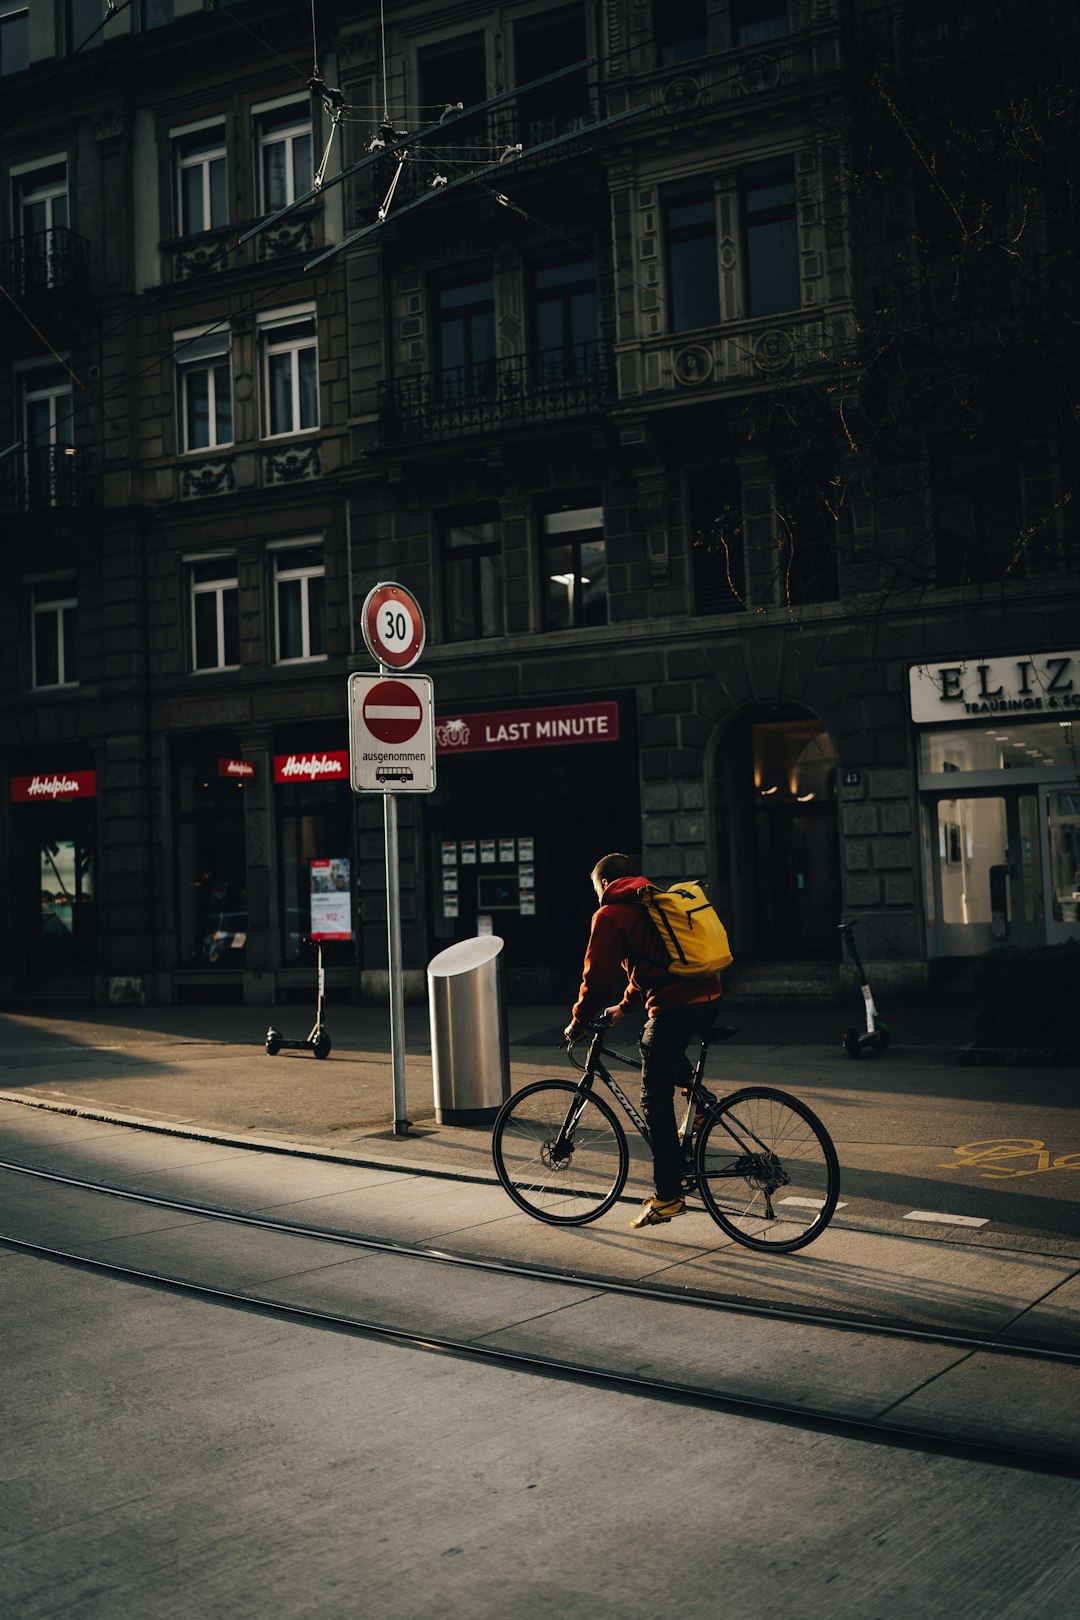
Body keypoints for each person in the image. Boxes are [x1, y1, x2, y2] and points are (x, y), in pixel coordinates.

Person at [563, 852, 723, 1228]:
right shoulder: (652, 900)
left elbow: (597, 978)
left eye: (594, 888)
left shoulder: (609, 914)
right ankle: (700, 1103)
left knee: (653, 1097)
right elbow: (650, 963)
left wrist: (578, 1022)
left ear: (604, 884)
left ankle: (668, 1196)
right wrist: (624, 1006)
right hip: (709, 997)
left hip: (677, 1006)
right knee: (654, 1043)